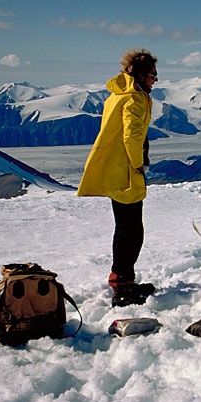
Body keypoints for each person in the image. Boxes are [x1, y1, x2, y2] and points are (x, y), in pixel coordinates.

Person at [77, 48, 158, 307]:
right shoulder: (134, 98)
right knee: (132, 231)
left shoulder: (118, 94)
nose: (155, 80)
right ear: (143, 75)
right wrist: (138, 165)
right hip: (125, 172)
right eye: (153, 75)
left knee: (125, 228)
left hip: (116, 169)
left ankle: (125, 281)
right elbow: (132, 136)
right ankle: (122, 288)